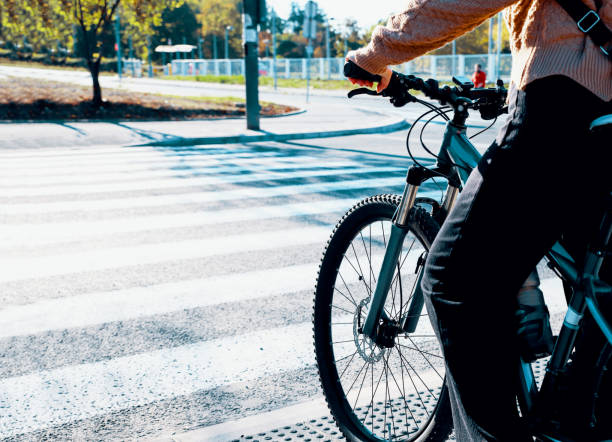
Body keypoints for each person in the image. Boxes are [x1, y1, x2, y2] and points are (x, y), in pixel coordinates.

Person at [346, 1, 611, 440]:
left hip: (562, 109)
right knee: (596, 287)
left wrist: (374, 56)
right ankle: (580, 414)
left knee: (454, 280)